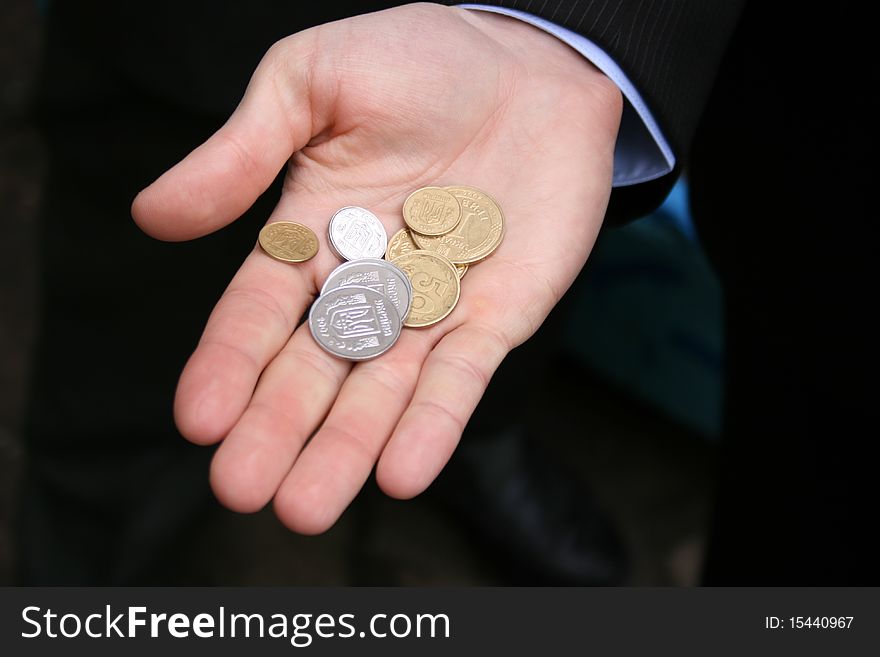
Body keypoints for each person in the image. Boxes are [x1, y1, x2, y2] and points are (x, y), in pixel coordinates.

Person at [23, 1, 875, 583]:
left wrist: (568, 31)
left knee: (498, 315)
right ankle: (86, 567)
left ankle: (483, 440)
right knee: (139, 348)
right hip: (209, 40)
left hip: (571, 125)